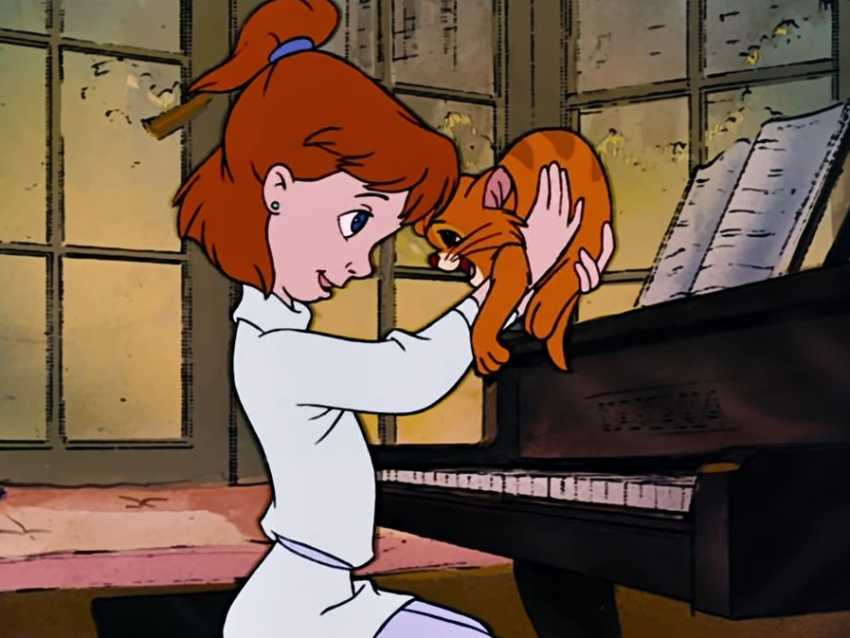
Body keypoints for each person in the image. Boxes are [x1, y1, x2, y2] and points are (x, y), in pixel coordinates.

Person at [172, 1, 614, 635]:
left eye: (375, 240)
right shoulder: (273, 353)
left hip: (333, 596)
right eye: (355, 222)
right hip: (295, 614)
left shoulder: (278, 337)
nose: (359, 264)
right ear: (278, 188)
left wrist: (521, 282)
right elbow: (407, 377)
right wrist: (509, 283)